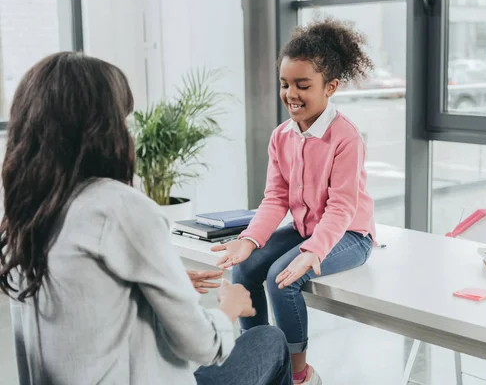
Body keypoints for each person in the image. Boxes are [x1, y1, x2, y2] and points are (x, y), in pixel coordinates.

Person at [0, 51, 292, 385]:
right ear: (102, 129)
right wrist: (229, 308)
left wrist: (166, 281)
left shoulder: (25, 218)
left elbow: (75, 305)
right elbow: (202, 345)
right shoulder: (118, 207)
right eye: (122, 120)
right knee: (268, 340)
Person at [211, 16, 377, 385]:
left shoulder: (346, 138)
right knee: (245, 268)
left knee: (281, 279)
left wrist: (312, 252)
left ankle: (298, 375)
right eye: (285, 84)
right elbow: (276, 198)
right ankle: (255, 361)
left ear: (330, 86)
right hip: (307, 229)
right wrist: (249, 240)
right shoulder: (282, 136)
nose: (291, 94)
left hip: (349, 235)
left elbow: (342, 208)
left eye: (303, 85)